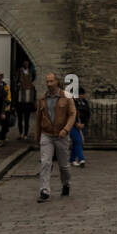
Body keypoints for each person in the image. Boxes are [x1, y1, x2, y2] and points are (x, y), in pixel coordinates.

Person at [35, 72, 76, 202]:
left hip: (61, 135)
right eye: (47, 82)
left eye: (51, 81)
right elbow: (38, 119)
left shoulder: (67, 96)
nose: (49, 84)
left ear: (57, 81)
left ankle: (66, 184)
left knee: (64, 166)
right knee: (45, 163)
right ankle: (44, 190)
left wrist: (66, 129)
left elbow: (72, 114)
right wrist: (37, 136)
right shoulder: (42, 99)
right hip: (46, 134)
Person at [70, 87, 90, 167]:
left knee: (76, 142)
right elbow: (70, 114)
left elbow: (88, 114)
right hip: (72, 125)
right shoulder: (72, 102)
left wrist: (84, 124)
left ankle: (72, 159)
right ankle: (81, 159)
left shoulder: (85, 102)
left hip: (81, 125)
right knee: (77, 140)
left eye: (82, 94)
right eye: (79, 94)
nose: (81, 96)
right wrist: (75, 123)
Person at [15, 67, 36, 140]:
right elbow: (16, 95)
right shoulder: (19, 86)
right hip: (20, 104)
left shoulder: (32, 87)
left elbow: (34, 96)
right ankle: (21, 133)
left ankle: (25, 134)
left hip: (27, 104)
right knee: (20, 120)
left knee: (26, 120)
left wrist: (33, 103)